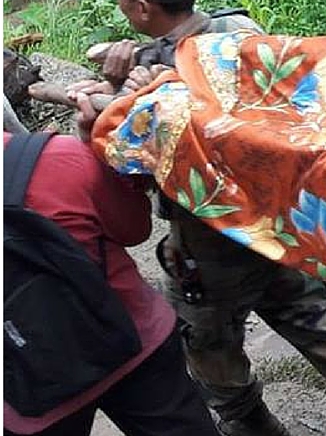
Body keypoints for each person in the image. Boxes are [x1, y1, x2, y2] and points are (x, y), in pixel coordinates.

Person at [73, 0, 326, 436]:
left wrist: (109, 105)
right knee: (311, 307)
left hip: (211, 241)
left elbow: (127, 166)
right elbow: (208, 59)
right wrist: (140, 63)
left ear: (139, 6)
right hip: (279, 218)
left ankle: (251, 423)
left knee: (206, 337)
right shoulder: (240, 32)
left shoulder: (162, 88)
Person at [3, 97, 218, 436]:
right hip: (134, 345)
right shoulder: (56, 156)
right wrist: (97, 152)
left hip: (29, 390)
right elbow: (135, 229)